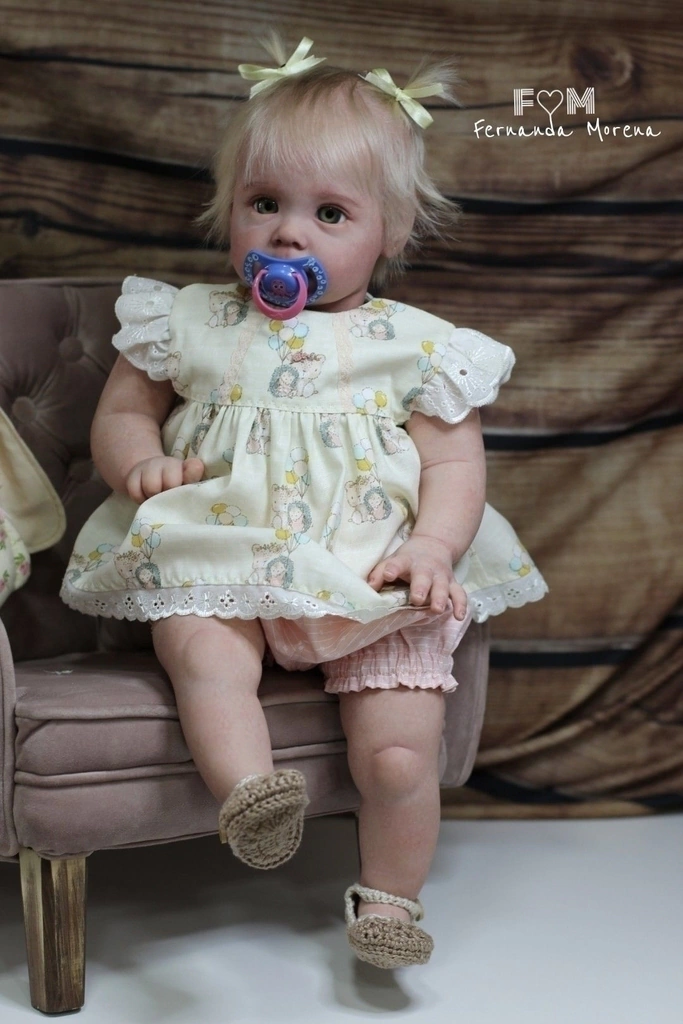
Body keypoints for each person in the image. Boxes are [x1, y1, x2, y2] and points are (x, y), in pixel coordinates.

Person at [60, 35, 548, 969]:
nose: (288, 234)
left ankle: (390, 902)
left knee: (397, 753)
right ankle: (251, 793)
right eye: (264, 204)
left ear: (389, 232)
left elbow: (453, 465)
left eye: (329, 213)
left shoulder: (415, 344)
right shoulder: (186, 319)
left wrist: (433, 548)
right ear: (229, 210)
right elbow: (122, 413)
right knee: (203, 654)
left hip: (371, 575)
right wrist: (137, 465)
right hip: (223, 550)